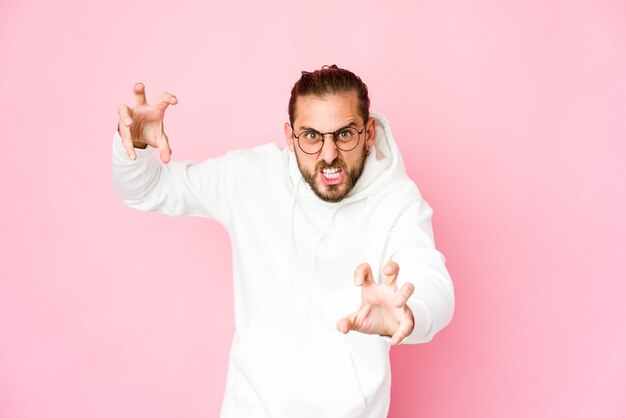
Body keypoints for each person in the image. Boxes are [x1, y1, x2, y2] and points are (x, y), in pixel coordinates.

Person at [112, 65, 454, 418]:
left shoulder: (396, 201)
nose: (328, 154)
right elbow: (147, 191)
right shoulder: (250, 178)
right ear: (290, 137)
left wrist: (410, 314)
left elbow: (434, 283)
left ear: (368, 133)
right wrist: (134, 146)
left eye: (344, 134)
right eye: (311, 136)